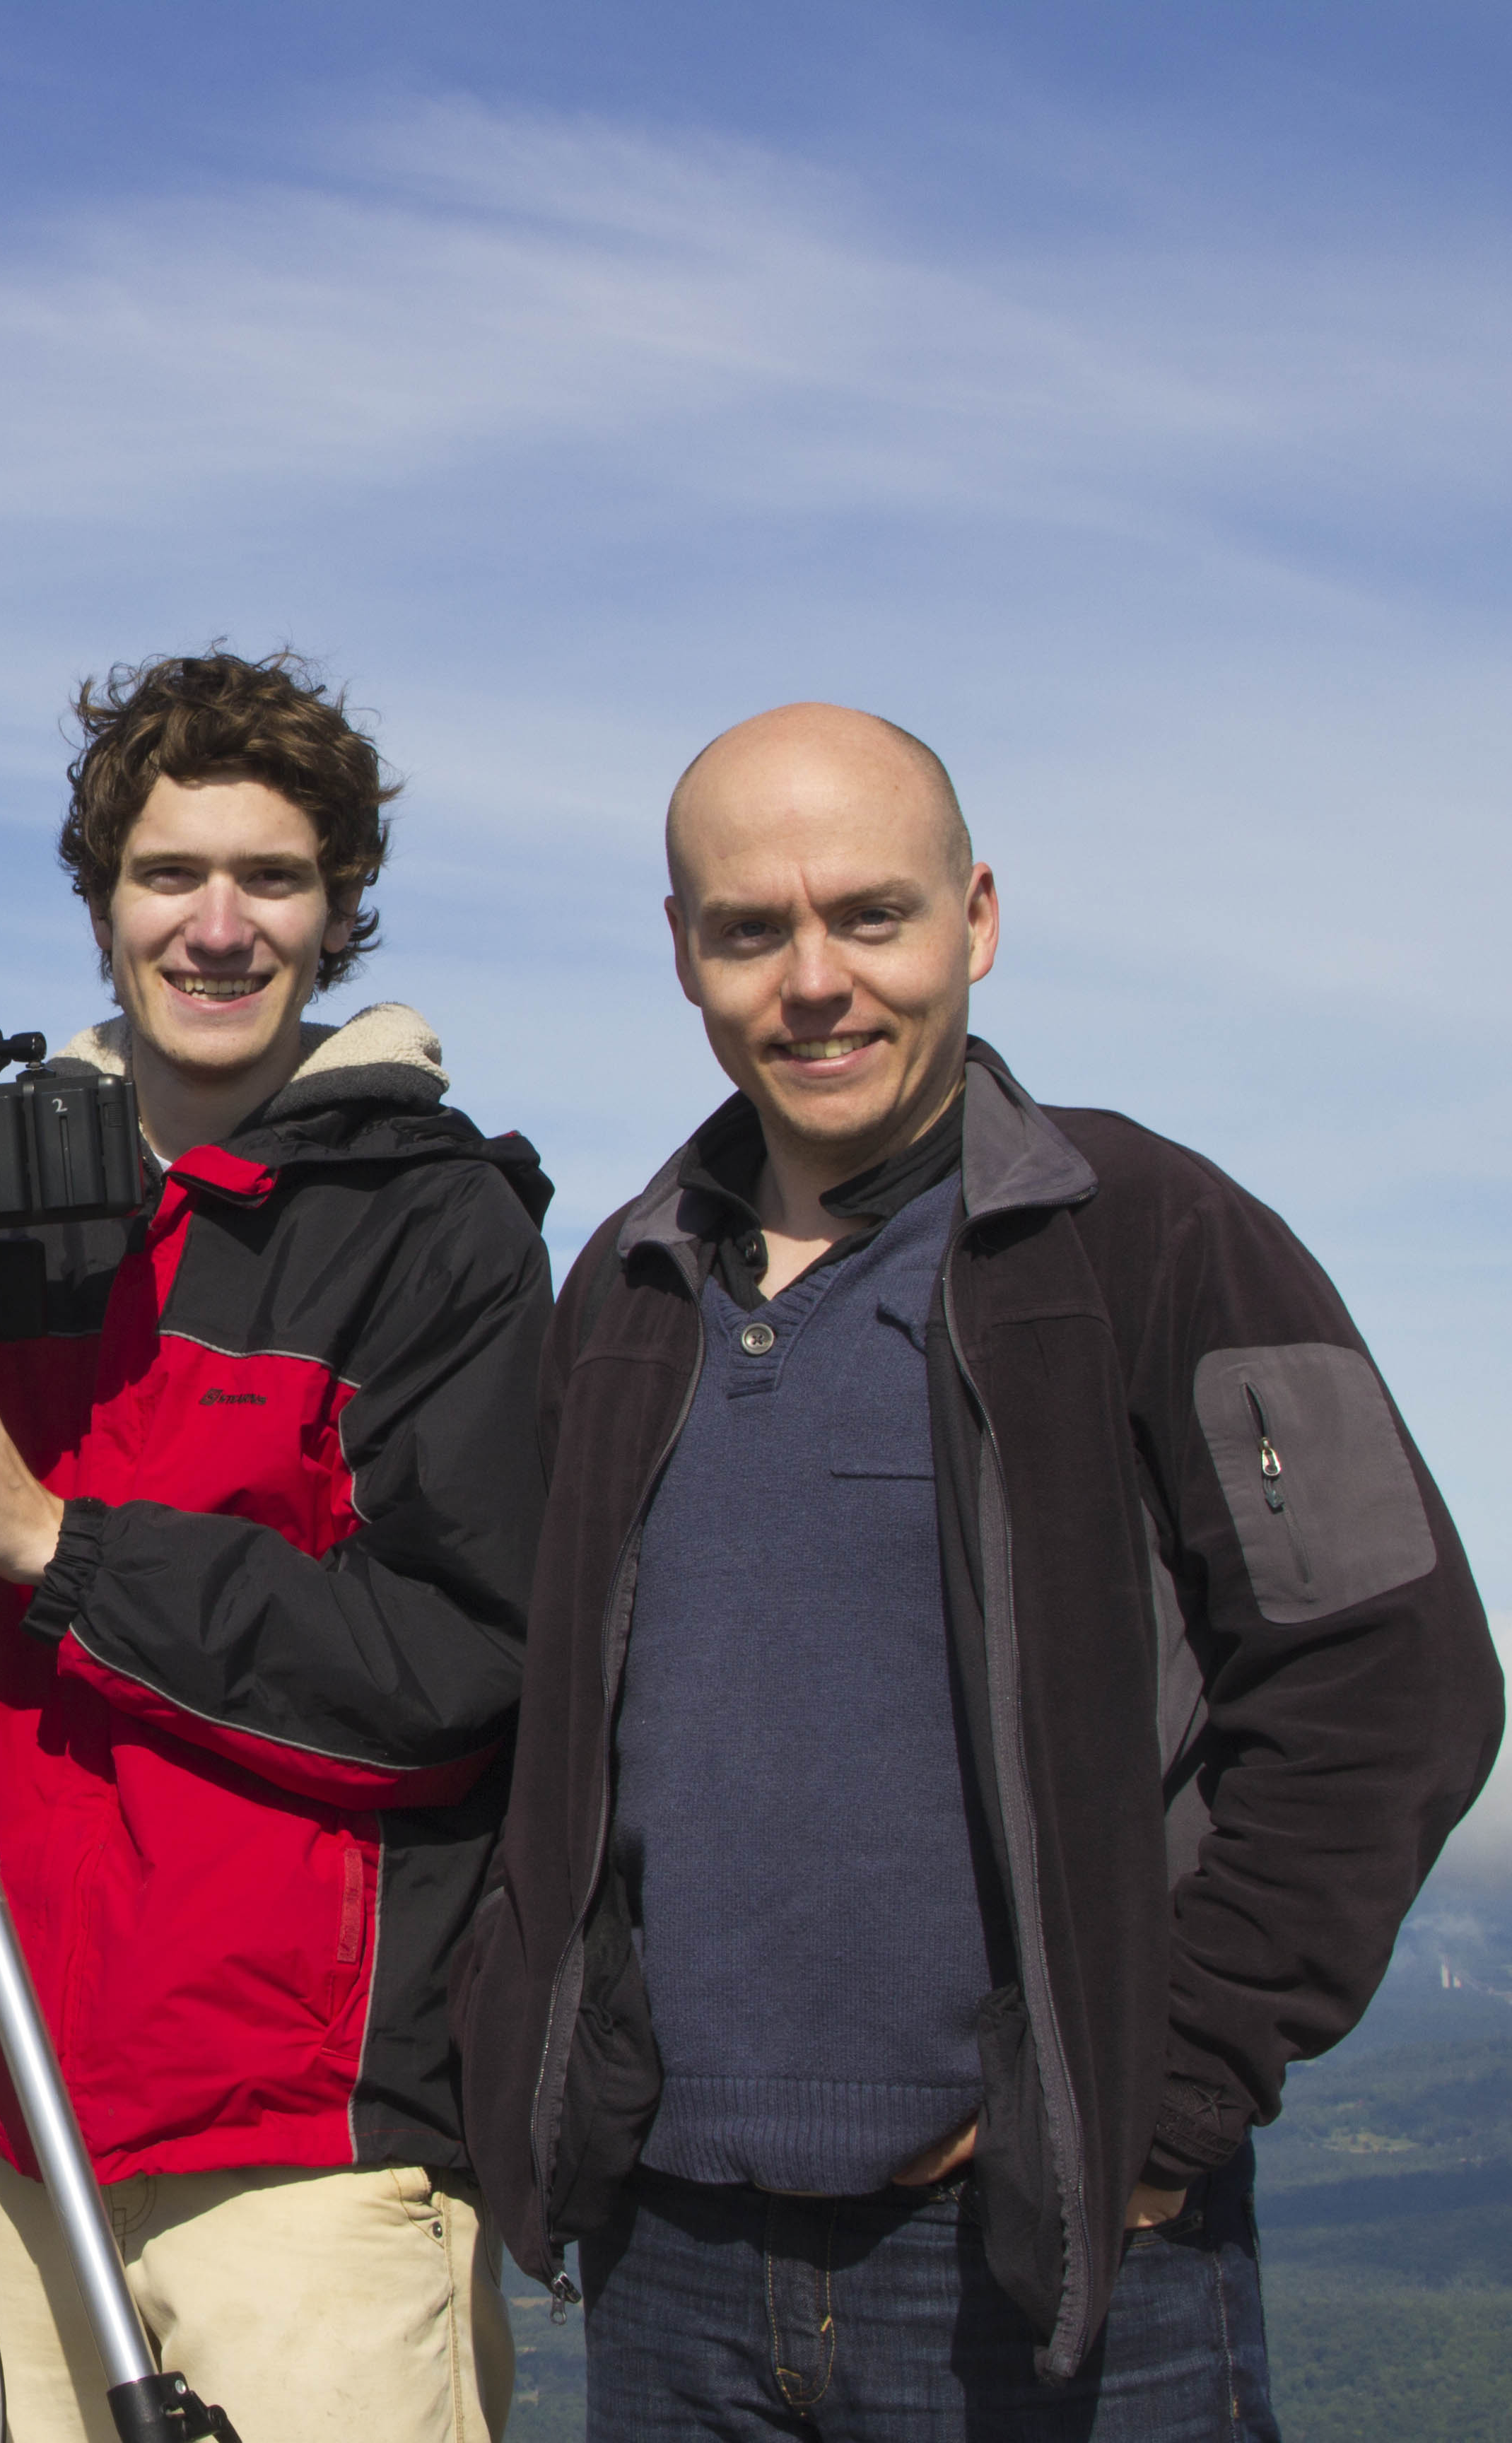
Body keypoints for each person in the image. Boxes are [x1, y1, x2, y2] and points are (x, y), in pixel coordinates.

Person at [455, 703, 1501, 2436]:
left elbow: (1392, 1681)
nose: (814, 981)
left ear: (978, 920)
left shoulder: (1156, 1238)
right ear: (683, 956)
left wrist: (1161, 2102)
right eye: (751, 928)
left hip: (1041, 2266)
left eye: (873, 916)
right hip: (672, 2266)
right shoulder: (625, 1293)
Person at [0, 650, 551, 2443]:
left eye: (273, 880)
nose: (217, 929)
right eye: (168, 877)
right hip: (18, 2120)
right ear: (100, 904)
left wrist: (57, 1538)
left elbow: (452, 1676)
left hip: (307, 2150)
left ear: (340, 912)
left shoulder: (434, 1230)